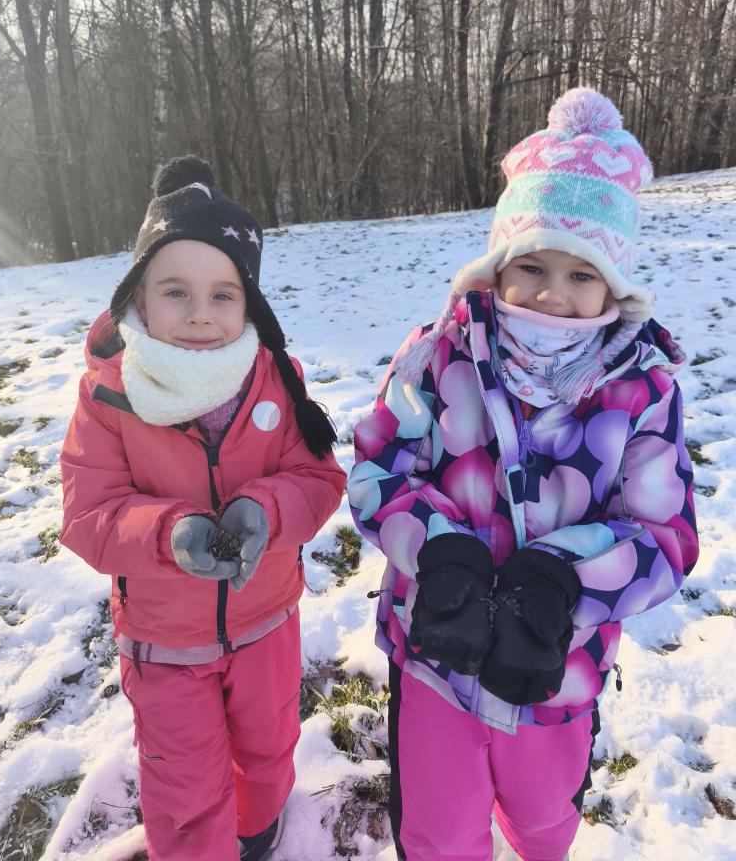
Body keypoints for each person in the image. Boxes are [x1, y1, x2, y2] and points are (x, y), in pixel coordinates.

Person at [348, 89, 699, 861]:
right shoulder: (438, 353)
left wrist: (563, 578)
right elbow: (378, 466)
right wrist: (440, 551)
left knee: (544, 821)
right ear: (499, 265)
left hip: (559, 666)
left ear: (614, 284)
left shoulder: (641, 388)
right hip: (436, 654)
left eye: (582, 274)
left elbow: (665, 534)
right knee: (440, 831)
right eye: (532, 266)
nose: (552, 293)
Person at [60, 156, 346, 861]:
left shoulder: (276, 379)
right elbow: (88, 512)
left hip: (267, 621)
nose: (199, 314)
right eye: (175, 291)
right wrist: (169, 534)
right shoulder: (110, 395)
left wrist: (266, 511)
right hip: (165, 643)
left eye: (223, 294)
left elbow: (317, 477)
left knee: (268, 745)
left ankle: (258, 828)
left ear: (249, 304)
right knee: (184, 784)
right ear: (138, 296)